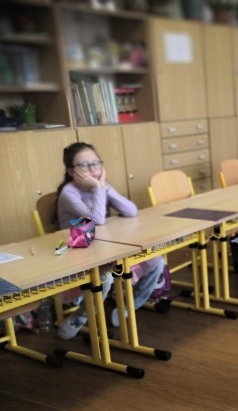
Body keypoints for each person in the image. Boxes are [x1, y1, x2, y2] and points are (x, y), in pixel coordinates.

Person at [56, 142, 165, 339]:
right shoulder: (69, 193)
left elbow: (131, 210)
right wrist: (98, 187)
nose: (92, 169)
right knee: (104, 278)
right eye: (84, 165)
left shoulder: (100, 186)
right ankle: (81, 317)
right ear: (71, 171)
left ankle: (128, 307)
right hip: (78, 251)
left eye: (96, 163)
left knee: (156, 261)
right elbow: (97, 220)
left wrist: (103, 187)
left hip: (105, 246)